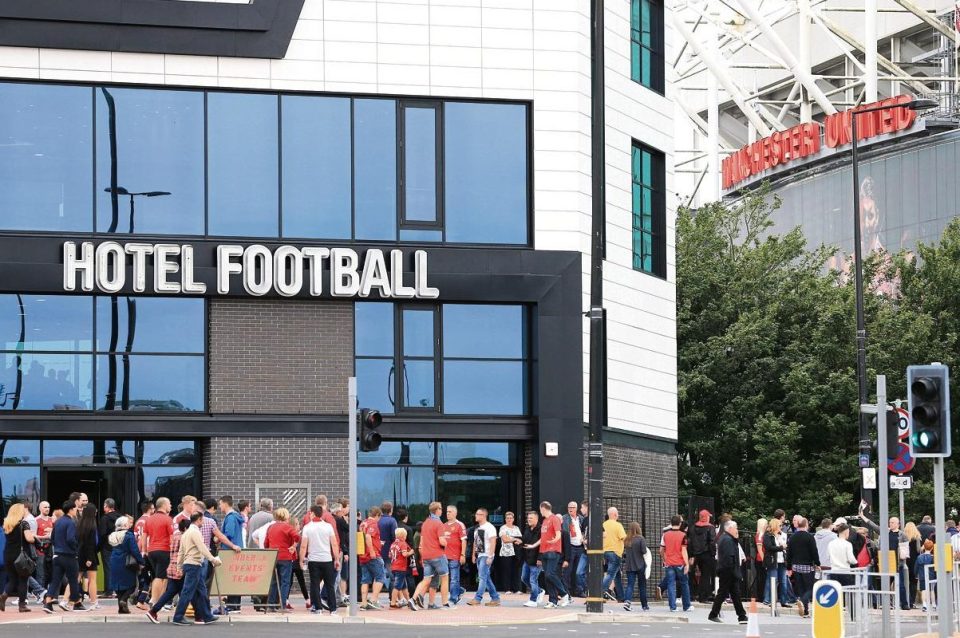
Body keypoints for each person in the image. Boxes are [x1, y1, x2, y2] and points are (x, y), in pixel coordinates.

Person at [172, 512, 222, 626]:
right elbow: (202, 548)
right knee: (188, 592)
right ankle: (178, 617)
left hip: (190, 564)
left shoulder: (186, 533)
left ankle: (207, 616)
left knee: (201, 591)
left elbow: (181, 551)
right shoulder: (195, 532)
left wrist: (179, 566)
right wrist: (213, 559)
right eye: (202, 520)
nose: (203, 522)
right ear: (199, 519)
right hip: (194, 564)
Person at [41, 501, 86, 613]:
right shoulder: (70, 523)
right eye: (75, 508)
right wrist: (75, 548)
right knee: (73, 579)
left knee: (55, 580)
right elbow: (71, 539)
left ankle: (48, 602)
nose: (76, 510)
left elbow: (52, 538)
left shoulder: (59, 522)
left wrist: (58, 547)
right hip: (69, 555)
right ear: (71, 509)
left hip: (57, 555)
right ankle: (77, 603)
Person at [145, 518, 190, 623]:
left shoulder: (175, 536)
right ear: (186, 528)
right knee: (186, 592)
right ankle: (183, 616)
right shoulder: (184, 538)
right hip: (180, 568)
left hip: (171, 567)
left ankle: (154, 611)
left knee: (170, 592)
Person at [300, 505, 340, 616]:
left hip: (313, 560)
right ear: (321, 514)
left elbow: (303, 546)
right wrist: (336, 559)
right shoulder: (328, 527)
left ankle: (318, 608)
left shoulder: (307, 527)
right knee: (330, 585)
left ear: (312, 513)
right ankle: (333, 609)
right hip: (327, 559)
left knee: (315, 584)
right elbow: (334, 544)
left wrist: (301, 559)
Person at [409, 501, 448, 611]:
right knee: (445, 578)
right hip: (438, 554)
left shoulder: (425, 523)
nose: (442, 510)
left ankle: (413, 599)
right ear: (437, 510)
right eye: (441, 508)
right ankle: (445, 603)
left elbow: (422, 540)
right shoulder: (439, 523)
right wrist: (446, 542)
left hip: (426, 556)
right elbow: (441, 541)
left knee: (426, 580)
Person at [708, 520, 748, 624]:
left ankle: (742, 616)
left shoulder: (728, 539)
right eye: (736, 528)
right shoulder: (727, 540)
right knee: (723, 593)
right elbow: (729, 558)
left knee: (735, 594)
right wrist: (734, 572)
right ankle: (713, 614)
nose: (737, 530)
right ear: (730, 528)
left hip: (729, 571)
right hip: (728, 571)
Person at [1, 503, 37, 613]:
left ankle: (3, 596)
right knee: (23, 580)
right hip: (20, 556)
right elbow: (29, 539)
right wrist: (34, 537)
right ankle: (22, 605)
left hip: (8, 554)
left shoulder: (7, 524)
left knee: (12, 579)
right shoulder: (24, 523)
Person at [263, 507, 299, 612]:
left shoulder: (270, 527)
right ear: (286, 516)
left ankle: (271, 604)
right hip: (285, 556)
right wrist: (294, 546)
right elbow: (297, 536)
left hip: (274, 556)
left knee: (274, 581)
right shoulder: (287, 527)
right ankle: (282, 605)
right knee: (285, 581)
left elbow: (266, 543)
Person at [107, 516, 143, 614]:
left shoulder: (112, 535)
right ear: (124, 525)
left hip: (114, 560)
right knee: (132, 584)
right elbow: (134, 550)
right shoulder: (128, 535)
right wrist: (141, 561)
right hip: (126, 562)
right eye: (127, 523)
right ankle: (124, 599)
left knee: (118, 586)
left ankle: (121, 608)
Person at [143, 496, 173, 610]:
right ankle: (154, 600)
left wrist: (145, 551)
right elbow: (172, 538)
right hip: (164, 550)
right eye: (169, 503)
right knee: (159, 577)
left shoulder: (149, 519)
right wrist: (173, 551)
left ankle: (160, 601)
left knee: (164, 577)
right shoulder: (168, 519)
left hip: (151, 551)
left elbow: (144, 536)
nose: (170, 506)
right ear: (164, 505)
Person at [539, 500, 570, 608]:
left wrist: (554, 541)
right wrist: (533, 545)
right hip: (544, 550)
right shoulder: (544, 521)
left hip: (553, 550)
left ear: (543, 508)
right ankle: (553, 600)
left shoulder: (554, 519)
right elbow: (542, 537)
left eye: (540, 510)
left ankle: (564, 594)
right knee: (547, 577)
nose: (540, 512)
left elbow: (558, 534)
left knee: (550, 574)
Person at [786, 517, 819, 617]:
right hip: (807, 566)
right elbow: (814, 551)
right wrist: (817, 563)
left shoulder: (792, 537)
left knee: (801, 588)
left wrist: (788, 567)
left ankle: (805, 611)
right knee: (810, 588)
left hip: (796, 566)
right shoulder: (809, 537)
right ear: (806, 525)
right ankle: (803, 600)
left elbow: (789, 553)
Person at [467, 507, 500, 607]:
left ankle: (478, 598)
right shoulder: (477, 528)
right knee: (486, 577)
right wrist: (473, 555)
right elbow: (475, 543)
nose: (476, 516)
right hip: (480, 555)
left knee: (482, 577)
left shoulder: (489, 527)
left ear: (483, 516)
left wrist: (490, 556)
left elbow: (493, 541)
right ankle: (495, 598)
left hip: (486, 555)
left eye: (478, 514)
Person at [661, 514, 691, 612]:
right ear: (680, 523)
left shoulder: (665, 535)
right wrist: (687, 564)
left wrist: (664, 558)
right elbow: (683, 551)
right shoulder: (683, 535)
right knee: (684, 583)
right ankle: (686, 606)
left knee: (670, 584)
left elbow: (661, 549)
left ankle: (672, 607)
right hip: (680, 563)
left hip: (669, 563)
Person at [359, 506, 385, 609]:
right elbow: (368, 536)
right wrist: (372, 551)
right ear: (377, 515)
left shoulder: (363, 523)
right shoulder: (373, 524)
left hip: (363, 555)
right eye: (380, 517)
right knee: (380, 577)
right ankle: (373, 600)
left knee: (365, 580)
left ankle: (364, 603)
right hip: (372, 555)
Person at [688, 509, 716, 604]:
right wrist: (713, 553)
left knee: (694, 575)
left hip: (696, 554)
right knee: (706, 575)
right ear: (706, 517)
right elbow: (712, 542)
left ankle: (693, 594)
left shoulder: (692, 528)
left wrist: (691, 555)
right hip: (707, 553)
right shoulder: (710, 528)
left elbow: (690, 542)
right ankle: (703, 597)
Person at [561, 501, 587, 598]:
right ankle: (566, 592)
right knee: (567, 571)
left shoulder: (581, 519)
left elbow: (584, 531)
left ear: (576, 508)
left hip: (580, 547)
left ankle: (579, 591)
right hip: (570, 547)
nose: (570, 509)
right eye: (569, 507)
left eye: (572, 507)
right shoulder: (565, 518)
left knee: (578, 571)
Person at [762, 518, 790, 607]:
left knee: (783, 581)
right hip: (772, 560)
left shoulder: (781, 535)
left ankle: (784, 601)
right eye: (780, 526)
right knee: (772, 580)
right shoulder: (767, 535)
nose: (781, 527)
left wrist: (782, 544)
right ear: (775, 526)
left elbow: (785, 546)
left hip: (782, 560)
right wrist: (781, 548)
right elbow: (769, 547)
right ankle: (769, 600)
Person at [622, 521, 649, 612]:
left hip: (629, 565)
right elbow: (644, 551)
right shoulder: (641, 539)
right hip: (640, 564)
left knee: (630, 585)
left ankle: (627, 602)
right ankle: (644, 605)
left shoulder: (626, 539)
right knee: (642, 585)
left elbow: (624, 552)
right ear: (638, 528)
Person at [76, 504, 99, 609]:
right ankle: (94, 601)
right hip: (90, 556)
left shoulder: (80, 524)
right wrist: (90, 558)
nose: (96, 512)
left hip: (80, 554)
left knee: (77, 577)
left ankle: (67, 599)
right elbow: (91, 544)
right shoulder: (92, 526)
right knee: (92, 579)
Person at [601, 506, 626, 603]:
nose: (618, 516)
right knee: (611, 574)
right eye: (617, 514)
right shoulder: (618, 525)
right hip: (615, 553)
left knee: (617, 575)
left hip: (605, 552)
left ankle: (621, 596)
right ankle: (600, 591)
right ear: (615, 515)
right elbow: (623, 538)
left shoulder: (603, 524)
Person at [444, 504, 467, 604]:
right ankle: (460, 591)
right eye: (447, 512)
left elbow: (464, 541)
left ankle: (453, 598)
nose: (447, 514)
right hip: (444, 556)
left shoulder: (459, 525)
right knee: (448, 578)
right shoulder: (443, 525)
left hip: (455, 556)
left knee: (454, 578)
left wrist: (462, 555)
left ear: (455, 513)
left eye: (450, 512)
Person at [98, 498, 121, 597]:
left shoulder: (104, 518)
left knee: (108, 568)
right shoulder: (120, 517)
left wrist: (98, 547)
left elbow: (102, 534)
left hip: (107, 547)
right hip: (119, 547)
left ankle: (109, 591)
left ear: (106, 506)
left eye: (104, 506)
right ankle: (118, 590)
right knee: (118, 568)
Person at [521, 510, 543, 608]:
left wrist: (540, 558)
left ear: (536, 519)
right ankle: (539, 591)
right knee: (524, 578)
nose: (529, 520)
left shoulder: (541, 529)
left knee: (533, 580)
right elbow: (524, 541)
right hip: (527, 558)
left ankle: (533, 600)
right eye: (528, 518)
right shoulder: (527, 528)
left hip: (536, 559)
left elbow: (543, 545)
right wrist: (518, 541)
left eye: (531, 518)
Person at [387, 527, 413, 609]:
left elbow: (389, 555)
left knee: (404, 586)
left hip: (393, 566)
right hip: (400, 567)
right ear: (402, 536)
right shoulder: (403, 543)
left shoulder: (393, 544)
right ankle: (393, 603)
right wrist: (411, 552)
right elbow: (404, 554)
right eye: (405, 536)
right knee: (397, 586)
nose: (406, 537)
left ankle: (409, 601)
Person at [497, 511, 522, 594]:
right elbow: (504, 539)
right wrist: (514, 539)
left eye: (511, 518)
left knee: (516, 570)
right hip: (506, 553)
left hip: (516, 552)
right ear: (505, 519)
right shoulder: (503, 528)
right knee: (506, 571)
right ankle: (507, 589)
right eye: (507, 518)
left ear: (513, 519)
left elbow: (520, 540)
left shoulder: (516, 528)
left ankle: (516, 589)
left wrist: (512, 539)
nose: (509, 519)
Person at [35, 501, 53, 588]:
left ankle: (49, 593)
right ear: (40, 508)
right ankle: (40, 592)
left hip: (51, 550)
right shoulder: (36, 520)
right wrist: (45, 537)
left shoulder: (51, 519)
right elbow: (33, 536)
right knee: (40, 573)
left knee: (51, 572)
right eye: (45, 507)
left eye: (48, 507)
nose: (47, 509)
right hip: (40, 550)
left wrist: (52, 532)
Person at [904, 521, 922, 609]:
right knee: (913, 582)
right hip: (915, 562)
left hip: (905, 561)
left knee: (904, 582)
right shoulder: (917, 537)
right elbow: (918, 550)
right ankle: (912, 602)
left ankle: (904, 601)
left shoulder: (903, 537)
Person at [917, 539, 936, 612]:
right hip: (931, 576)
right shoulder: (933, 557)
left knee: (923, 590)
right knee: (931, 590)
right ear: (932, 548)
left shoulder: (919, 557)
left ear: (924, 547)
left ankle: (924, 605)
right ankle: (933, 604)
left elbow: (916, 567)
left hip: (922, 576)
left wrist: (916, 575)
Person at [753, 518, 767, 602]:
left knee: (763, 579)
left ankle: (762, 596)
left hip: (761, 559)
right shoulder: (759, 535)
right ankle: (761, 596)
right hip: (760, 560)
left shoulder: (761, 534)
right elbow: (760, 550)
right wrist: (764, 561)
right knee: (761, 579)